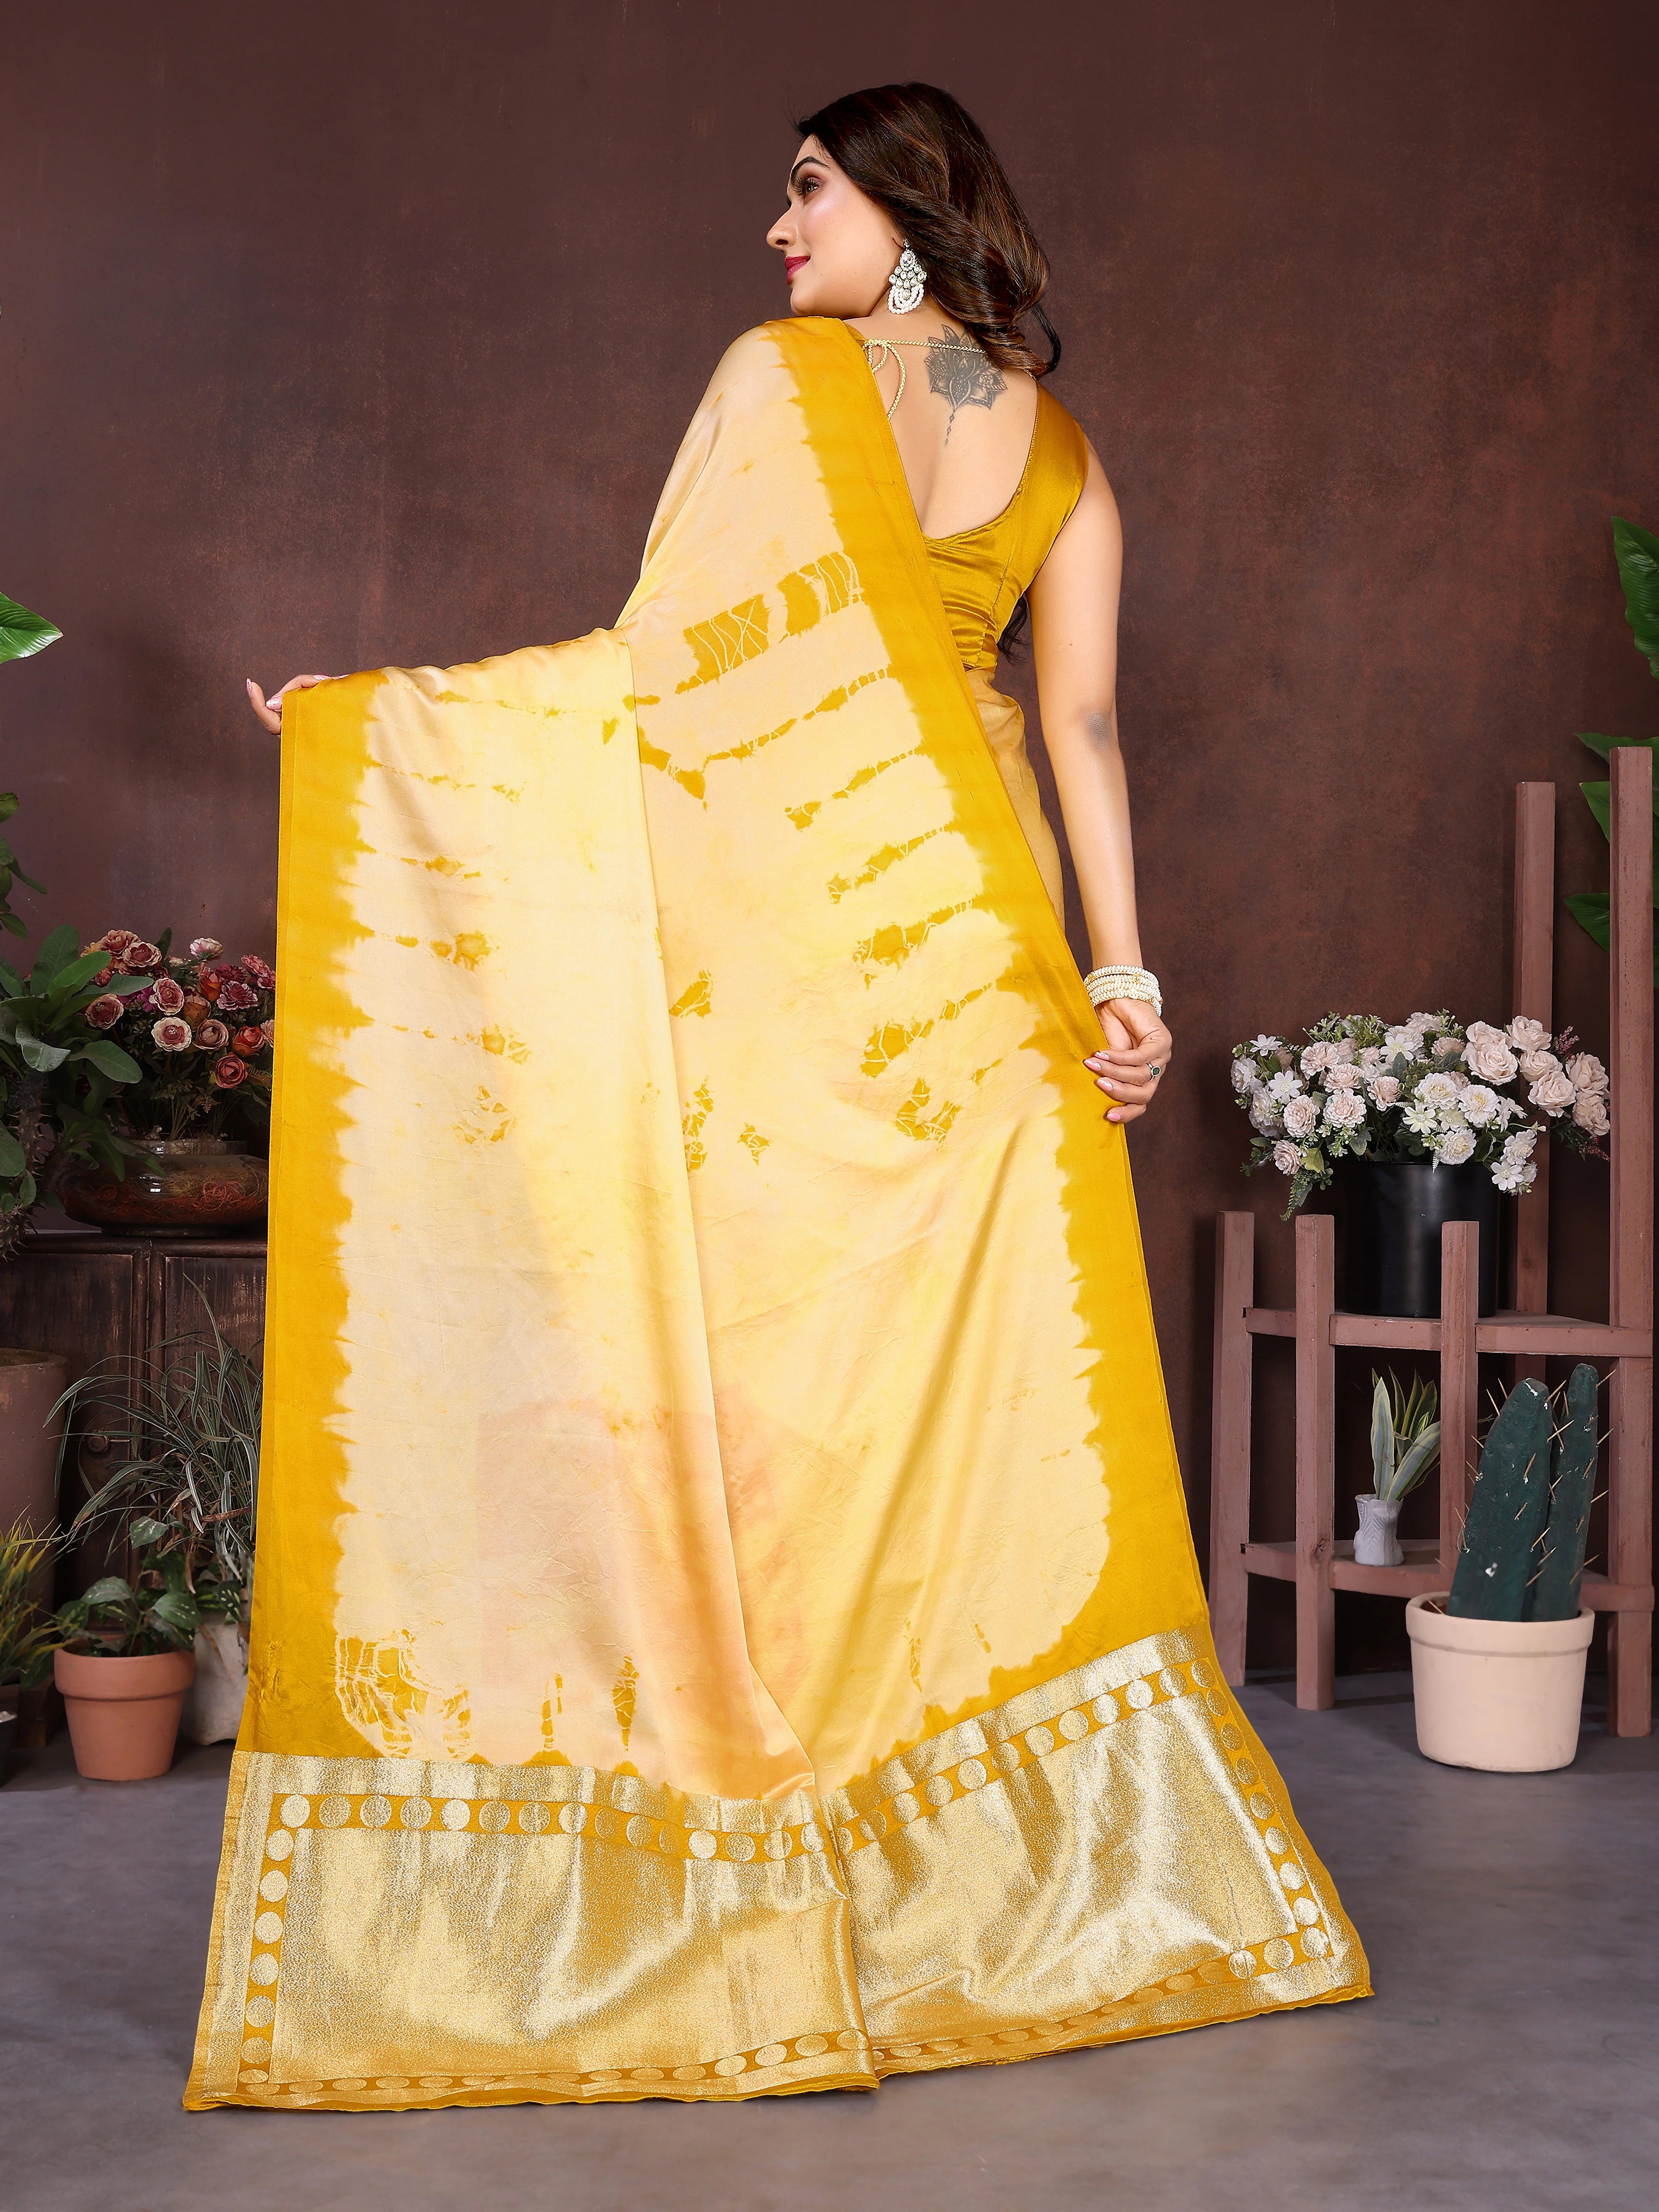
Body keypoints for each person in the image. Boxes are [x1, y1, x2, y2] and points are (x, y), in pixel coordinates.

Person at [194, 83, 1365, 2116]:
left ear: (902, 207)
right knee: (949, 1437)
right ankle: (970, 1889)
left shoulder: (785, 382)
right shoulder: (1068, 460)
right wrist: (1125, 978)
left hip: (808, 983)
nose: (774, 230)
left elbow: (662, 685)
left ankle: (747, 1870)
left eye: (804, 188)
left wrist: (382, 737)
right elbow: (1079, 731)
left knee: (766, 1414)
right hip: (983, 975)